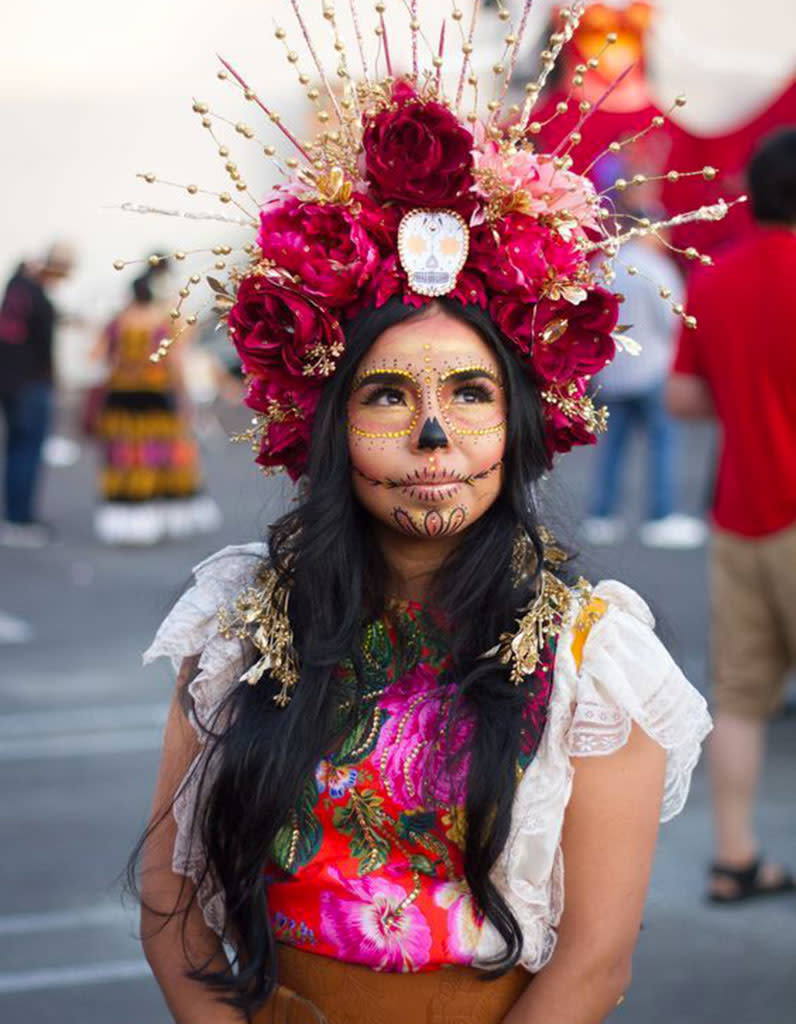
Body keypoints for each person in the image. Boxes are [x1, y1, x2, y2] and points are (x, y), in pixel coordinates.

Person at [128, 8, 719, 1021]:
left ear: (522, 427)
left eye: (472, 396)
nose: (434, 437)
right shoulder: (240, 627)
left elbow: (591, 966)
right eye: (389, 396)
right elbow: (170, 899)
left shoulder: (592, 660)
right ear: (328, 423)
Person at [667, 128, 796, 904]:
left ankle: (734, 858)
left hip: (741, 512)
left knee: (741, 696)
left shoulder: (715, 279)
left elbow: (684, 397)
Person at [582, 229, 706, 548]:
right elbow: (675, 319)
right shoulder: (655, 267)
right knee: (662, 444)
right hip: (652, 367)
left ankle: (602, 514)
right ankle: (660, 515)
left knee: (612, 446)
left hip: (611, 368)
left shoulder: (602, 263)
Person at [91, 261, 221, 545]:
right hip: (155, 396)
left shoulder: (116, 322)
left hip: (121, 396)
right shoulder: (161, 323)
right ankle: (160, 512)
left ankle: (128, 514)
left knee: (126, 455)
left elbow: (97, 357)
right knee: (163, 452)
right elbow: (174, 364)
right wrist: (184, 397)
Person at [0, 244, 75, 547]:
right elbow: (46, 349)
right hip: (31, 385)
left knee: (16, 450)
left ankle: (14, 517)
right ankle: (20, 519)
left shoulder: (15, 288)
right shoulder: (39, 300)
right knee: (27, 452)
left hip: (9, 383)